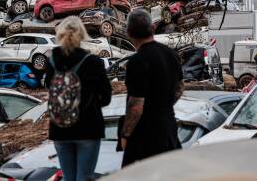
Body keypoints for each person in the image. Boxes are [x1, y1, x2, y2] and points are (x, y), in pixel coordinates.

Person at [45, 16, 112, 181]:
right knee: (85, 177)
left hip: (59, 128)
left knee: (68, 178)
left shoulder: (52, 61)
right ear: (82, 35)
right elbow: (106, 97)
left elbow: (49, 87)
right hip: (87, 127)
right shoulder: (93, 62)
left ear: (60, 34)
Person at [121, 9, 184, 167]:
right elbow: (180, 87)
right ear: (153, 28)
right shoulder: (171, 54)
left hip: (145, 134)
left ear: (129, 33)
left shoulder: (137, 61)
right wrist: (163, 103)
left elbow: (136, 104)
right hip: (168, 127)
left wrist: (126, 134)